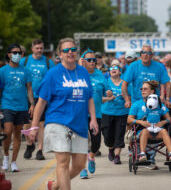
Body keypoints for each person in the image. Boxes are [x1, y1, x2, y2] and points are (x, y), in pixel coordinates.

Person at [28, 38, 99, 190]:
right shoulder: (52, 74)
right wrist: (34, 126)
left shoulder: (84, 72)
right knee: (63, 162)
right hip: (57, 121)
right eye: (66, 50)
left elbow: (90, 97)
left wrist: (93, 119)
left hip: (79, 124)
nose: (70, 53)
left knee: (80, 164)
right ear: (59, 54)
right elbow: (41, 102)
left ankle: (54, 186)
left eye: (72, 49)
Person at [78, 48, 112, 178]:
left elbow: (107, 91)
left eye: (94, 59)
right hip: (80, 114)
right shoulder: (78, 74)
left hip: (96, 114)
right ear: (83, 61)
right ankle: (82, 168)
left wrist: (109, 93)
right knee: (81, 142)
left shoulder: (100, 75)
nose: (92, 62)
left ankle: (91, 157)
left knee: (96, 142)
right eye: (89, 60)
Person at [0, 43, 34, 172]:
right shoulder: (2, 71)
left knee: (17, 135)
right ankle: (6, 158)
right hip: (7, 105)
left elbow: (29, 88)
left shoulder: (26, 70)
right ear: (9, 54)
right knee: (7, 131)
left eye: (19, 53)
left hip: (22, 106)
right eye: (14, 53)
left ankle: (14, 162)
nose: (17, 55)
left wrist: (32, 104)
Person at [20, 39, 55, 160]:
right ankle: (30, 145)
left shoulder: (48, 62)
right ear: (32, 49)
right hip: (26, 96)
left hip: (42, 97)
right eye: (37, 48)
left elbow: (52, 79)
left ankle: (40, 150)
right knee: (27, 123)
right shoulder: (24, 61)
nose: (39, 50)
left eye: (41, 48)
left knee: (41, 124)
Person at [127, 81, 171, 164]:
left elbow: (169, 119)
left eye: (145, 89)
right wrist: (140, 122)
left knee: (164, 131)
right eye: (141, 89)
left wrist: (163, 122)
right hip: (143, 131)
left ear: (152, 91)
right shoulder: (137, 104)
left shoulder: (160, 104)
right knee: (145, 131)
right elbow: (129, 119)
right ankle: (142, 155)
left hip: (157, 131)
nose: (142, 91)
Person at [101, 61, 129, 165]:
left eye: (116, 67)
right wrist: (108, 98)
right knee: (107, 135)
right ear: (109, 71)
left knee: (119, 134)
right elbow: (100, 99)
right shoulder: (105, 82)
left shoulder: (125, 84)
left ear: (120, 72)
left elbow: (130, 98)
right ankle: (110, 148)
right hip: (107, 112)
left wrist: (125, 96)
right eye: (111, 67)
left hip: (121, 113)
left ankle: (117, 156)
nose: (113, 68)